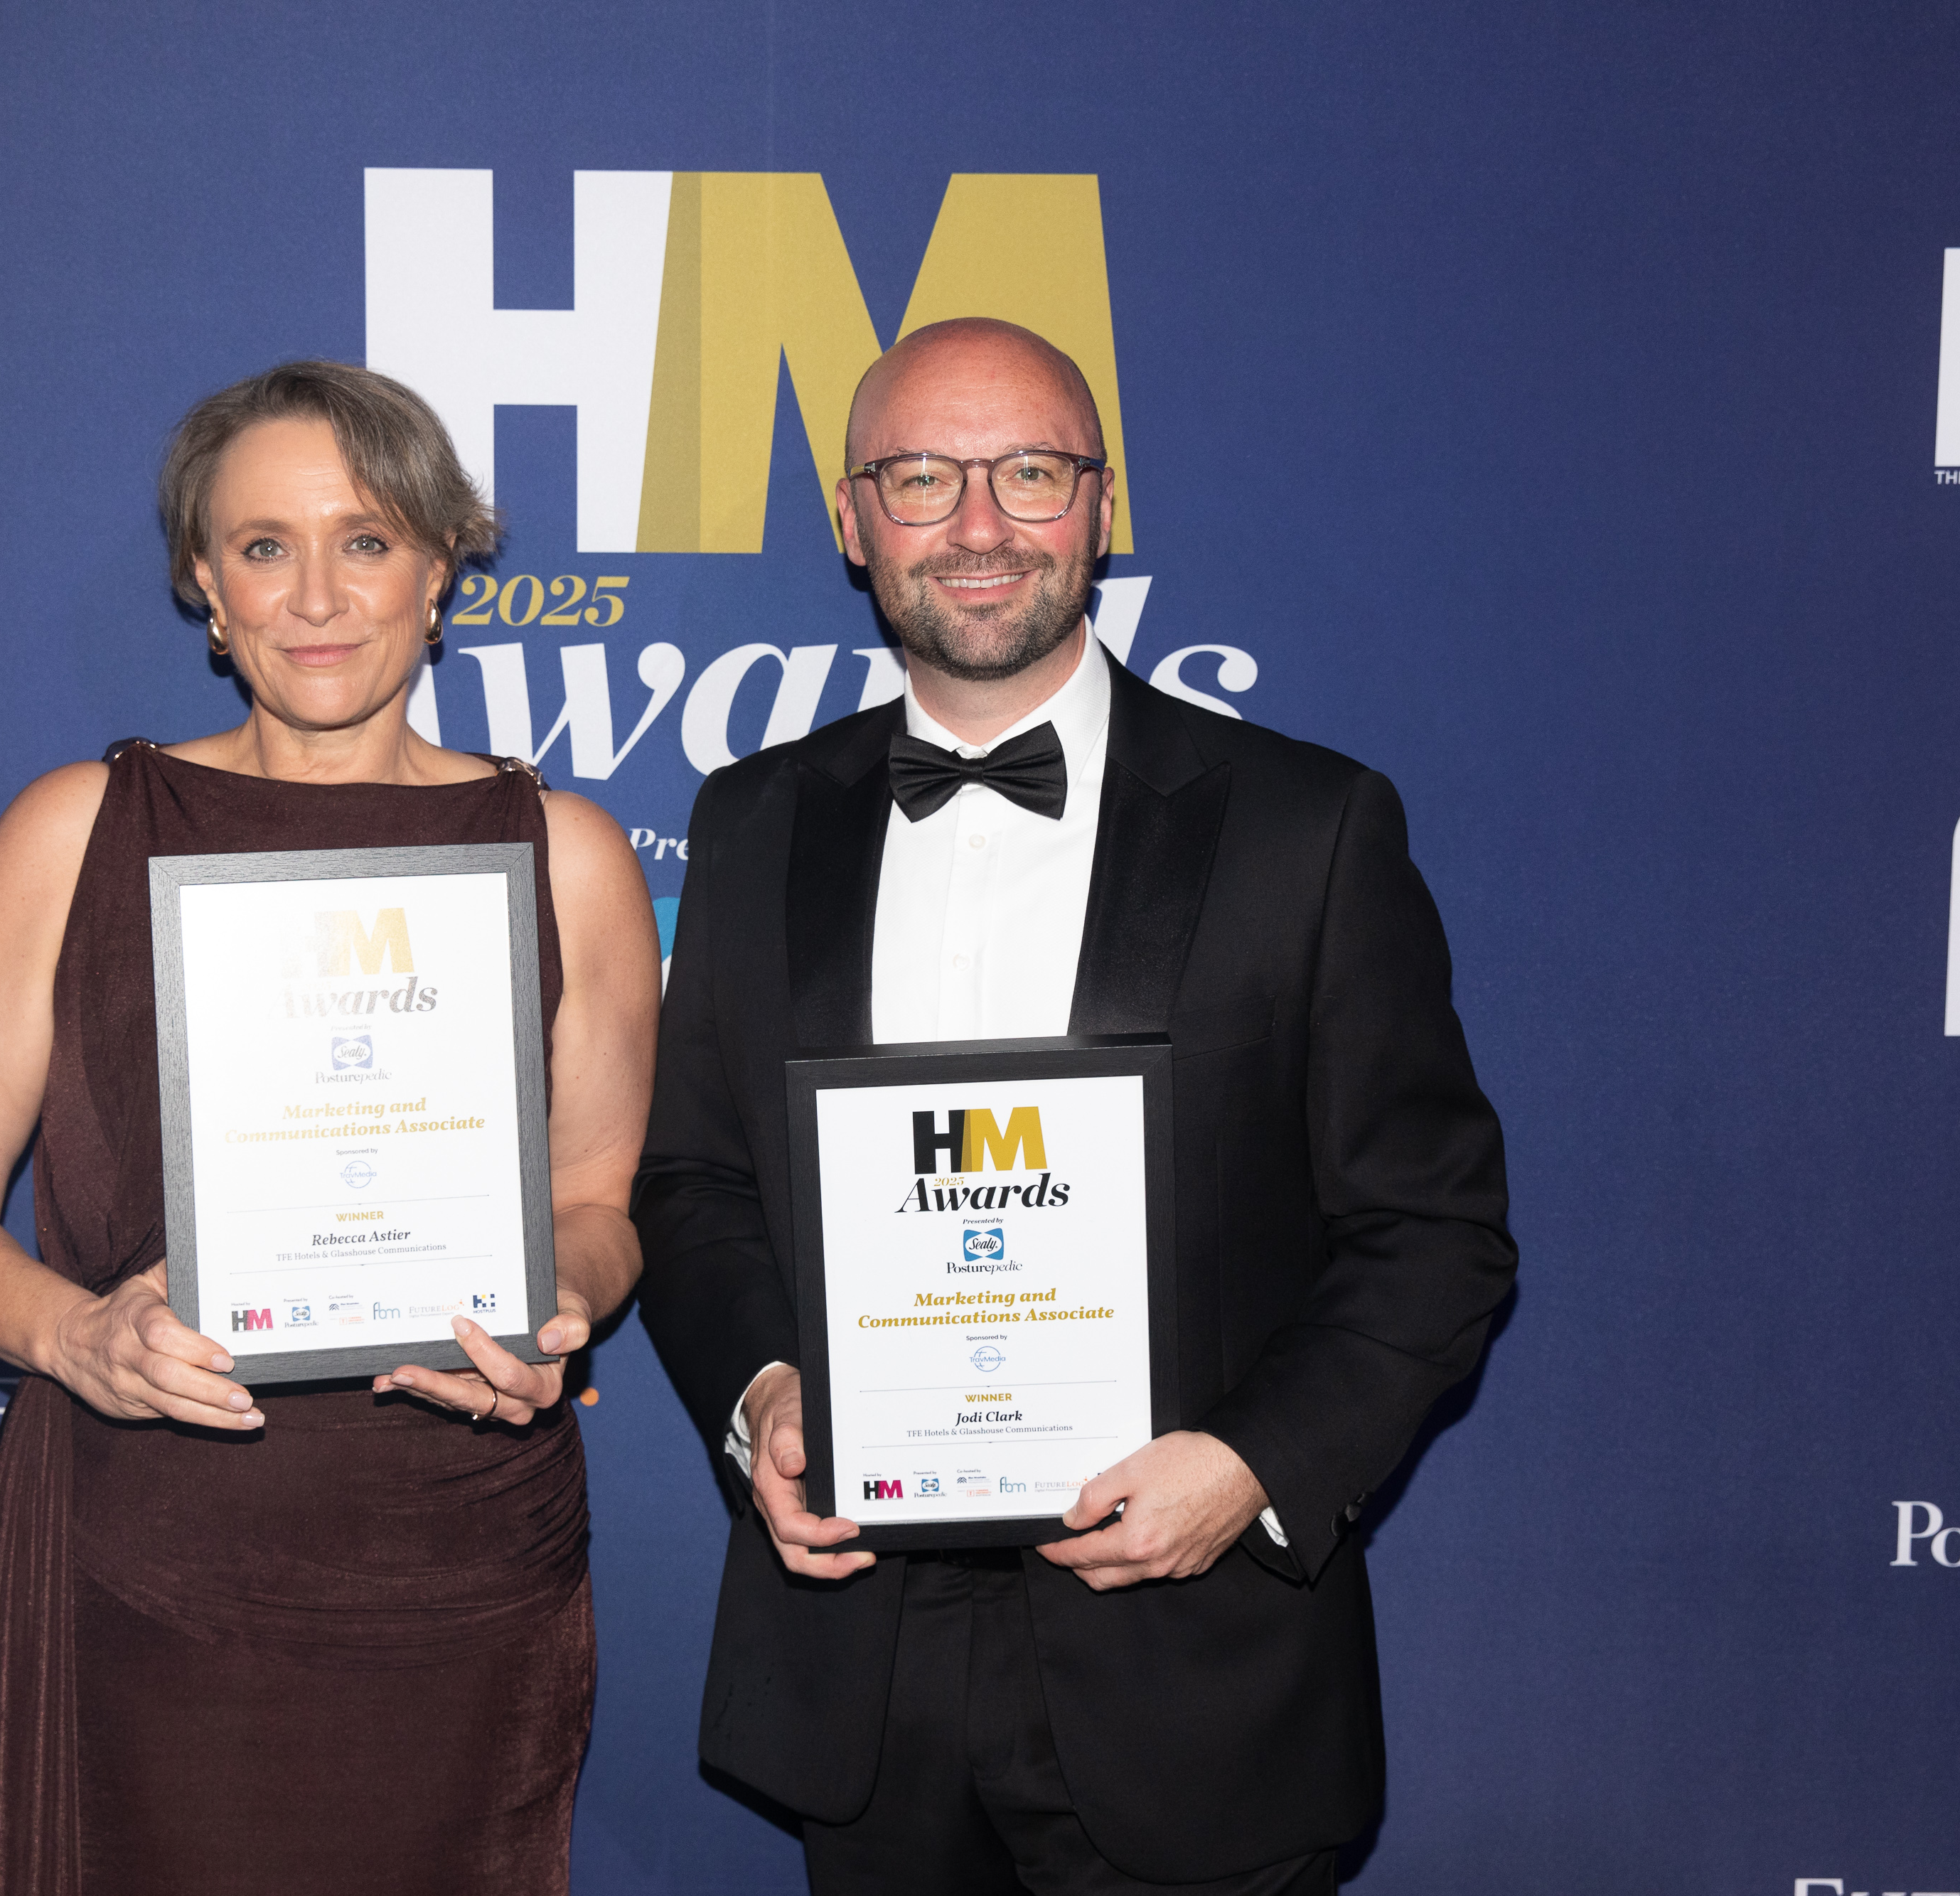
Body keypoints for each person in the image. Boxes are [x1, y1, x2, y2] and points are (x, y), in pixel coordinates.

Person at [633, 318, 1516, 1895]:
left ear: (1101, 503)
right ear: (851, 520)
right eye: (922, 477)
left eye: (1030, 472)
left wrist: (1246, 1466)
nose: (979, 524)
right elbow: (694, 1178)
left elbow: (1432, 1232)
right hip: (861, 1674)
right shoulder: (756, 820)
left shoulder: (1306, 827)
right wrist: (764, 1392)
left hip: (1197, 1677)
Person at [0, 360, 660, 1896]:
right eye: (262, 547)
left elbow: (597, 1198)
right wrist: (73, 1333)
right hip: (146, 1565)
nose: (316, 596)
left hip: (461, 1570)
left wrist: (559, 1299)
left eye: (366, 541)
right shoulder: (75, 832)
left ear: (441, 570)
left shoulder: (563, 854)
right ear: (203, 585)